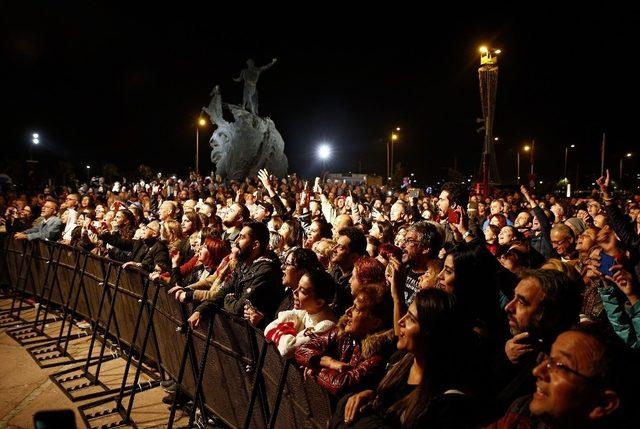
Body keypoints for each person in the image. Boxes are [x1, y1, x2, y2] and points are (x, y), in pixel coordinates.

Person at [330, 288, 481, 428]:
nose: (400, 322)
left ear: (431, 333)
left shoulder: (449, 404)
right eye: (406, 314)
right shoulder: (399, 360)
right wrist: (370, 396)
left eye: (411, 319)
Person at [489, 324, 636, 428]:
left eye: (560, 366)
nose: (537, 371)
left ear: (603, 403)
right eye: (547, 359)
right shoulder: (522, 411)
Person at [496, 269, 582, 417]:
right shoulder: (522, 345)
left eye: (522, 302)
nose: (508, 307)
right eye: (513, 297)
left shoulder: (563, 371)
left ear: (551, 315)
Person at [295, 284, 395, 396]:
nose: (348, 311)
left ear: (375, 322)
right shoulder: (343, 333)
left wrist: (315, 368)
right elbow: (302, 349)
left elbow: (340, 384)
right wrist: (328, 362)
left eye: (356, 308)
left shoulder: (377, 355)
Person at [188, 221, 284, 328]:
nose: (237, 241)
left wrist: (228, 298)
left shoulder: (265, 271)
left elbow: (239, 308)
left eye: (242, 237)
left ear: (255, 245)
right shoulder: (243, 263)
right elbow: (223, 291)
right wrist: (200, 311)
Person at [265, 268, 337, 358]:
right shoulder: (303, 311)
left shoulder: (327, 325)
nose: (295, 292)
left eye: (302, 291)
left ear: (319, 302)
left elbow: (288, 349)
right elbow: (268, 328)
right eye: (298, 286)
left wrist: (282, 330)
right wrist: (290, 335)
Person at [329, 227, 368, 315]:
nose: (334, 249)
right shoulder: (334, 272)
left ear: (354, 257)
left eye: (341, 247)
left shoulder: (357, 284)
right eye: (336, 245)